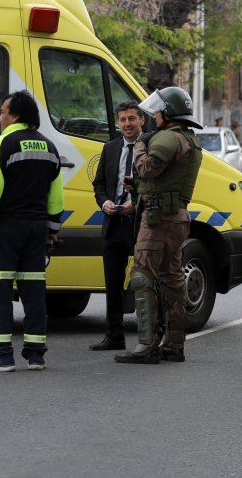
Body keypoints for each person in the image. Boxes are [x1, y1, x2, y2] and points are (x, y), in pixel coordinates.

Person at [0, 89, 65, 372]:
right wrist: (52, 229)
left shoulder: (3, 144)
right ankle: (36, 353)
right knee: (34, 288)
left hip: (6, 227)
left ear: (15, 116)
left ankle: (1, 355)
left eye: (2, 112)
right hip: (37, 228)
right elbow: (56, 196)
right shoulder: (49, 146)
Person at [114, 86, 203, 365]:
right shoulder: (187, 138)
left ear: (169, 113)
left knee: (143, 275)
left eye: (157, 110)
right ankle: (174, 343)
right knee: (172, 277)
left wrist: (140, 144)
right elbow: (161, 179)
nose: (154, 115)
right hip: (174, 217)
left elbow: (148, 168)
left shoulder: (167, 137)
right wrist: (139, 186)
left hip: (158, 219)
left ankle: (146, 345)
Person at [89, 101, 145, 351]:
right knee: (112, 282)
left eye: (131, 118)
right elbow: (98, 184)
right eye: (122, 119)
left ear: (141, 120)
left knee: (146, 280)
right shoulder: (110, 148)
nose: (127, 124)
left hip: (141, 223)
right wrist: (105, 203)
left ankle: (151, 335)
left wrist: (137, 202)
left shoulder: (151, 146)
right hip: (114, 223)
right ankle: (114, 335)